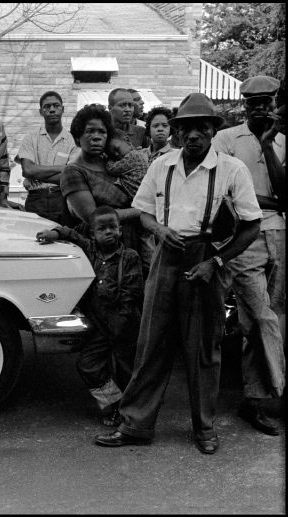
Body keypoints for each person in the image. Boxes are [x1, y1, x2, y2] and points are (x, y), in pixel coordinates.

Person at [94, 93, 262, 455]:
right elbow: (142, 213)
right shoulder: (163, 165)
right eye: (186, 128)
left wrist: (215, 262)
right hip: (165, 257)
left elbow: (251, 226)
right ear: (177, 131)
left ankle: (204, 427)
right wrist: (158, 230)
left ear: (213, 131)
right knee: (151, 343)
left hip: (206, 258)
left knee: (203, 348)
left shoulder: (232, 169)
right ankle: (136, 425)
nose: (194, 135)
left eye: (202, 128)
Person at [213, 75, 285, 436]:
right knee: (258, 316)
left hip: (281, 234)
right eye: (253, 101)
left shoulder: (282, 140)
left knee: (276, 315)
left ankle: (255, 401)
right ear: (244, 104)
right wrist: (266, 202)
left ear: (275, 101)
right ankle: (279, 388)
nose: (260, 107)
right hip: (246, 235)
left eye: (266, 101)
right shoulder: (226, 139)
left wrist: (269, 144)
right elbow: (227, 195)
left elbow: (284, 195)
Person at [37, 206, 143, 426]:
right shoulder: (89, 249)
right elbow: (70, 233)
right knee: (88, 365)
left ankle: (133, 415)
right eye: (102, 229)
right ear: (92, 233)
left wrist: (121, 325)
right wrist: (54, 234)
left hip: (124, 324)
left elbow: (131, 293)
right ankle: (113, 403)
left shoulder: (129, 257)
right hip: (98, 324)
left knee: (128, 371)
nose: (108, 232)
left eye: (113, 227)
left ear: (120, 230)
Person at [60, 104, 141, 254]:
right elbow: (94, 217)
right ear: (78, 138)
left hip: (131, 241)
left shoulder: (115, 164)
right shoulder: (73, 171)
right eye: (90, 131)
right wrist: (141, 212)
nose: (97, 137)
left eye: (102, 132)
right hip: (98, 248)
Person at [15, 91, 78, 222]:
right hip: (35, 199)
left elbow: (72, 177)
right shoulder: (31, 137)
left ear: (63, 109)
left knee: (63, 238)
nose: (52, 110)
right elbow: (28, 170)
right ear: (41, 111)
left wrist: (36, 174)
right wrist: (63, 168)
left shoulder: (73, 140)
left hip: (63, 199)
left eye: (56, 106)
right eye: (47, 107)